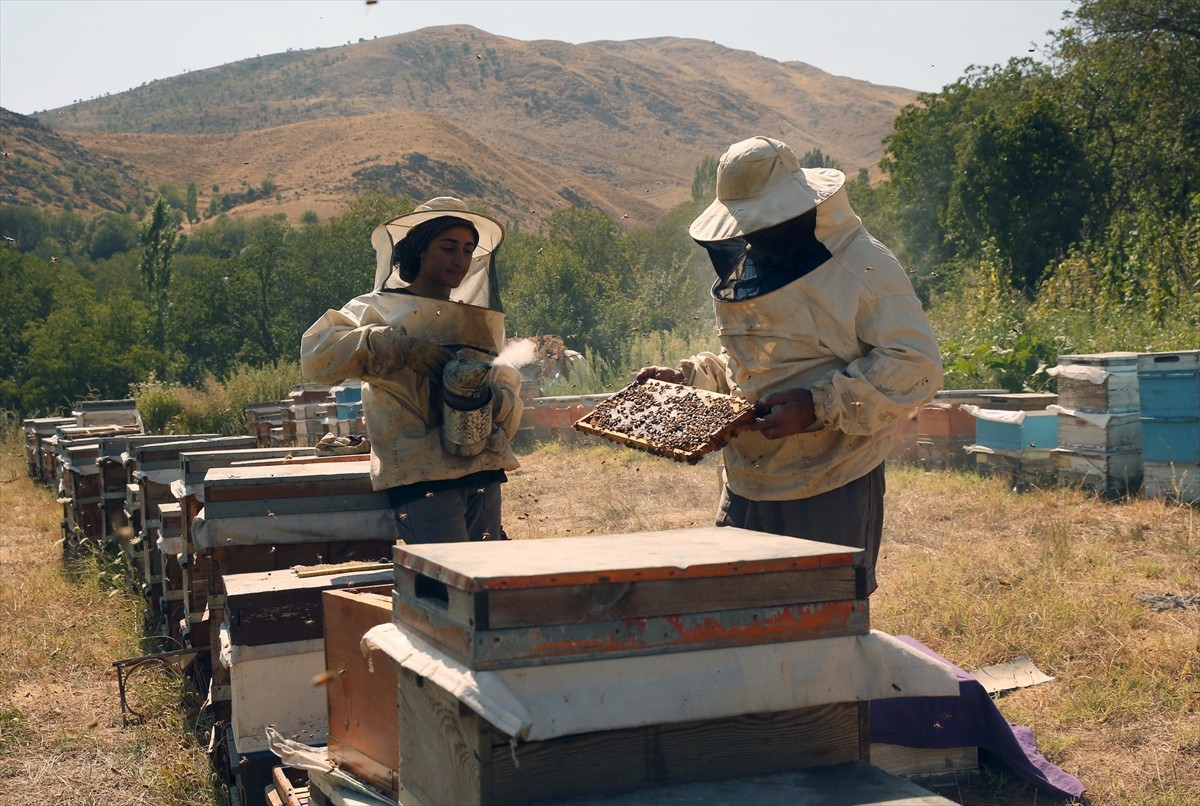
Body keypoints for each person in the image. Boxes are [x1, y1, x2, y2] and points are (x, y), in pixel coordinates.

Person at [638, 136, 942, 594]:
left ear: (801, 208)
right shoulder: (751, 266)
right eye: (746, 224)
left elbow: (915, 366)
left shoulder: (864, 265)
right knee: (735, 614)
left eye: (764, 221)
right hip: (746, 483)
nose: (753, 236)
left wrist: (818, 405)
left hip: (830, 482)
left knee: (820, 620)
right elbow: (748, 363)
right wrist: (689, 380)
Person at [301, 197, 523, 544]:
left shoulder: (474, 318)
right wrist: (399, 348)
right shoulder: (377, 308)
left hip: (483, 471)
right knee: (447, 575)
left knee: (485, 575)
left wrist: (491, 399)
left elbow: (504, 379)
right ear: (420, 249)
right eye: (448, 247)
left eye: (468, 250)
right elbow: (316, 354)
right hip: (422, 476)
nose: (460, 259)